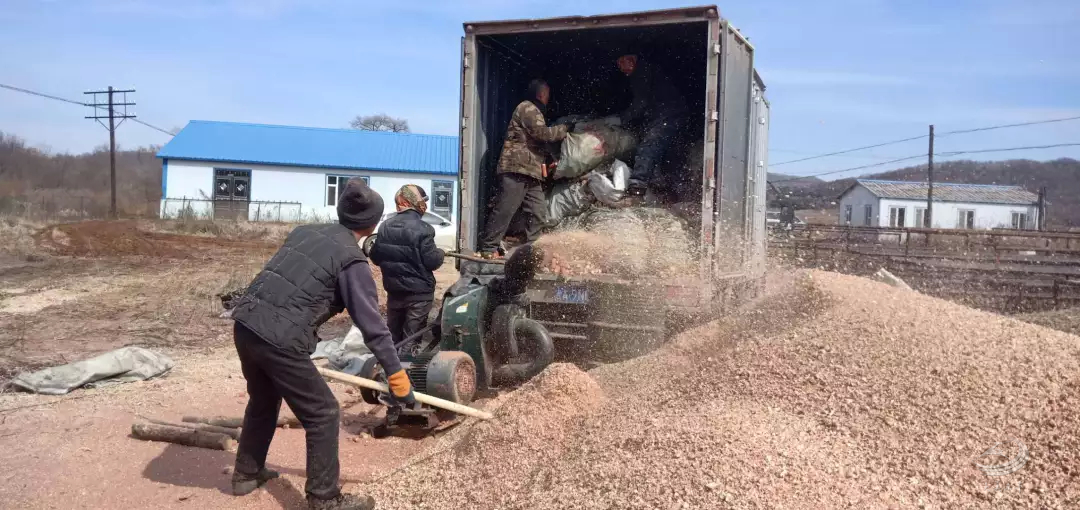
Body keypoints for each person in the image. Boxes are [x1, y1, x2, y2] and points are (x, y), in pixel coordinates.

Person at [228, 177, 413, 510]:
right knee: (324, 413)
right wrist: (397, 377)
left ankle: (245, 474)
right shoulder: (351, 261)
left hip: (246, 323)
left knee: (263, 399)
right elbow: (372, 326)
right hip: (279, 339)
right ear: (373, 225)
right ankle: (325, 499)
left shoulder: (304, 232)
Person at [478, 78, 569, 259]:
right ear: (541, 94)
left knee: (538, 212)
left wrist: (552, 159)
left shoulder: (536, 113)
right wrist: (566, 129)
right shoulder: (527, 108)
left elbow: (537, 143)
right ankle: (488, 248)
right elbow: (542, 134)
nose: (548, 98)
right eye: (547, 94)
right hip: (516, 169)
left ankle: (530, 250)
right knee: (506, 208)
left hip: (531, 172)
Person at [368, 184, 445, 352]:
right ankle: (406, 374)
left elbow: (375, 257)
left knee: (394, 338)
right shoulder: (424, 229)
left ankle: (388, 371)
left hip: (394, 293)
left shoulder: (385, 226)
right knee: (411, 339)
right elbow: (432, 261)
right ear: (416, 202)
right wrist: (441, 253)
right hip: (419, 296)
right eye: (423, 201)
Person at [615, 52, 688, 194]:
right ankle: (667, 187)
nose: (621, 69)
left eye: (621, 63)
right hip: (674, 114)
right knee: (669, 152)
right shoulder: (647, 72)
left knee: (648, 145)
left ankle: (638, 185)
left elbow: (640, 103)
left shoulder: (642, 72)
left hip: (668, 115)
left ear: (630, 60)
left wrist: (621, 119)